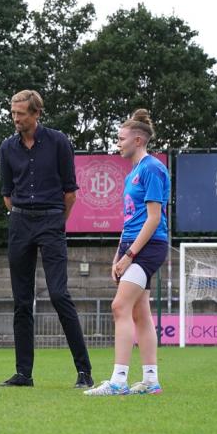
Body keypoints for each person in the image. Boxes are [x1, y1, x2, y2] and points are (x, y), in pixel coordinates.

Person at [0, 90, 94, 388]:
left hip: (52, 219)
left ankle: (84, 372)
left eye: (21, 113)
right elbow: (7, 195)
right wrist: (22, 216)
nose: (15, 119)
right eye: (13, 113)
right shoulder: (7, 147)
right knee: (21, 301)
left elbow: (70, 193)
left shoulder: (58, 142)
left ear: (36, 114)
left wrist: (55, 222)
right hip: (20, 221)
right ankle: (23, 374)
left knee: (58, 294)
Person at [85, 109, 169, 396]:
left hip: (149, 246)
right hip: (132, 247)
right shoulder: (133, 173)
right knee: (139, 313)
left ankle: (118, 381)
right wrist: (117, 255)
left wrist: (130, 255)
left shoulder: (152, 168)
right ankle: (150, 381)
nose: (117, 143)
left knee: (119, 307)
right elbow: (130, 219)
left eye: (121, 138)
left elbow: (154, 218)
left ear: (137, 139)